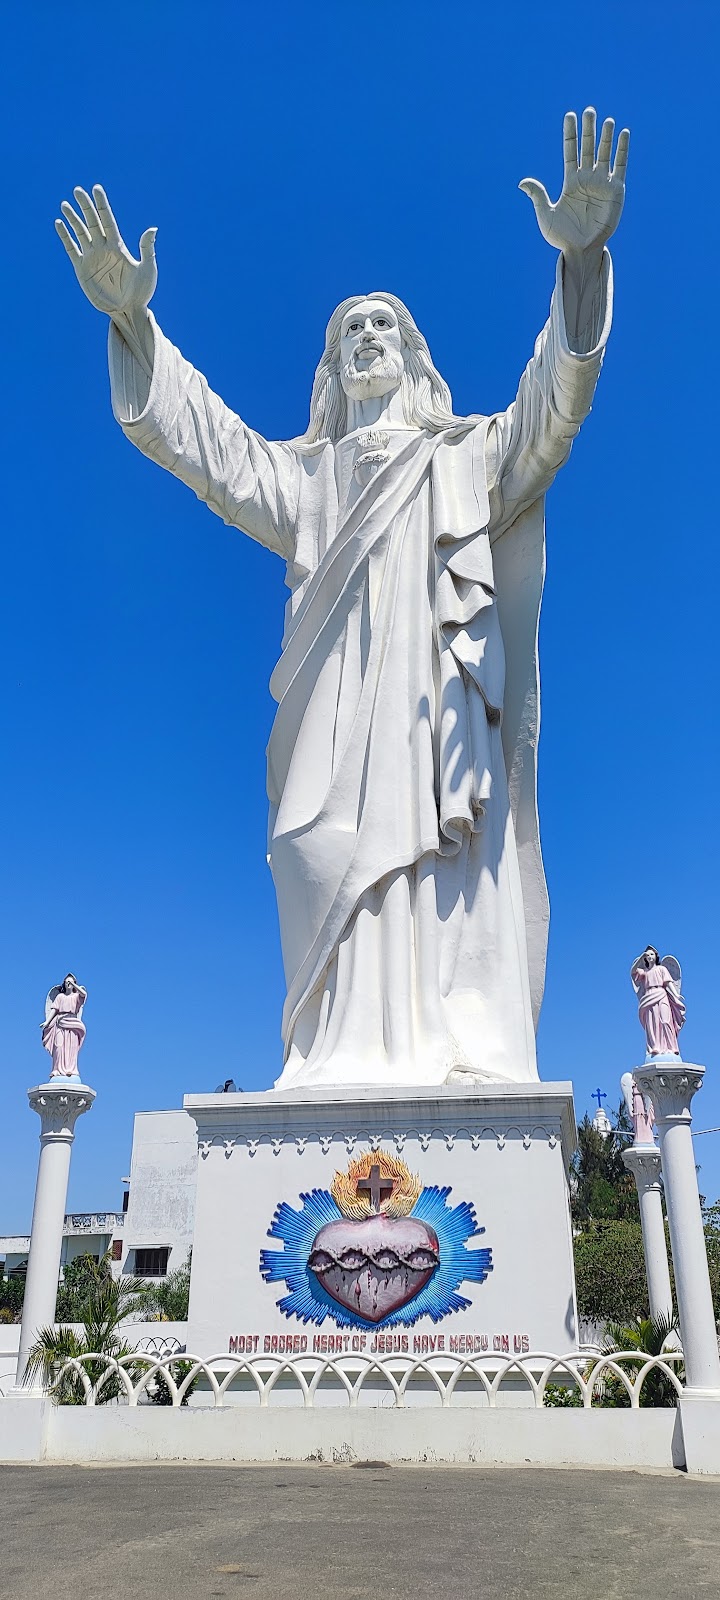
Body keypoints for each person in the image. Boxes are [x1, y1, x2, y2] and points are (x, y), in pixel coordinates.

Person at [55, 109, 629, 1090]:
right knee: (312, 847)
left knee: (437, 868)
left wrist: (579, 270)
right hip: (335, 729)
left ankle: (442, 1047)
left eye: (385, 328)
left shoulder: (464, 455)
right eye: (350, 331)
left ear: (413, 359)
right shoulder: (309, 479)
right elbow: (212, 452)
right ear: (333, 368)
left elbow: (549, 416)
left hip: (432, 720)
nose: (368, 338)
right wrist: (133, 324)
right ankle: (332, 1054)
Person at [631, 947, 686, 1058]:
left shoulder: (662, 969)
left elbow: (668, 983)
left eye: (652, 954)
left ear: (656, 956)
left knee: (665, 1021)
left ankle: (672, 1047)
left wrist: (675, 994)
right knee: (653, 1023)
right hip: (648, 997)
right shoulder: (644, 972)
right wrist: (642, 956)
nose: (650, 957)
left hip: (661, 994)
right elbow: (632, 971)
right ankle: (655, 1046)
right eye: (647, 955)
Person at [42, 973, 87, 1079]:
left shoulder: (76, 997)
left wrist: (75, 986)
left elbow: (84, 994)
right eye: (67, 982)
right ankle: (56, 1069)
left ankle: (70, 1069)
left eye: (70, 982)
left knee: (71, 1048)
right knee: (58, 1046)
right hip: (60, 1023)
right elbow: (54, 1009)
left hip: (72, 1023)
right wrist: (47, 1022)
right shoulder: (60, 996)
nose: (68, 984)